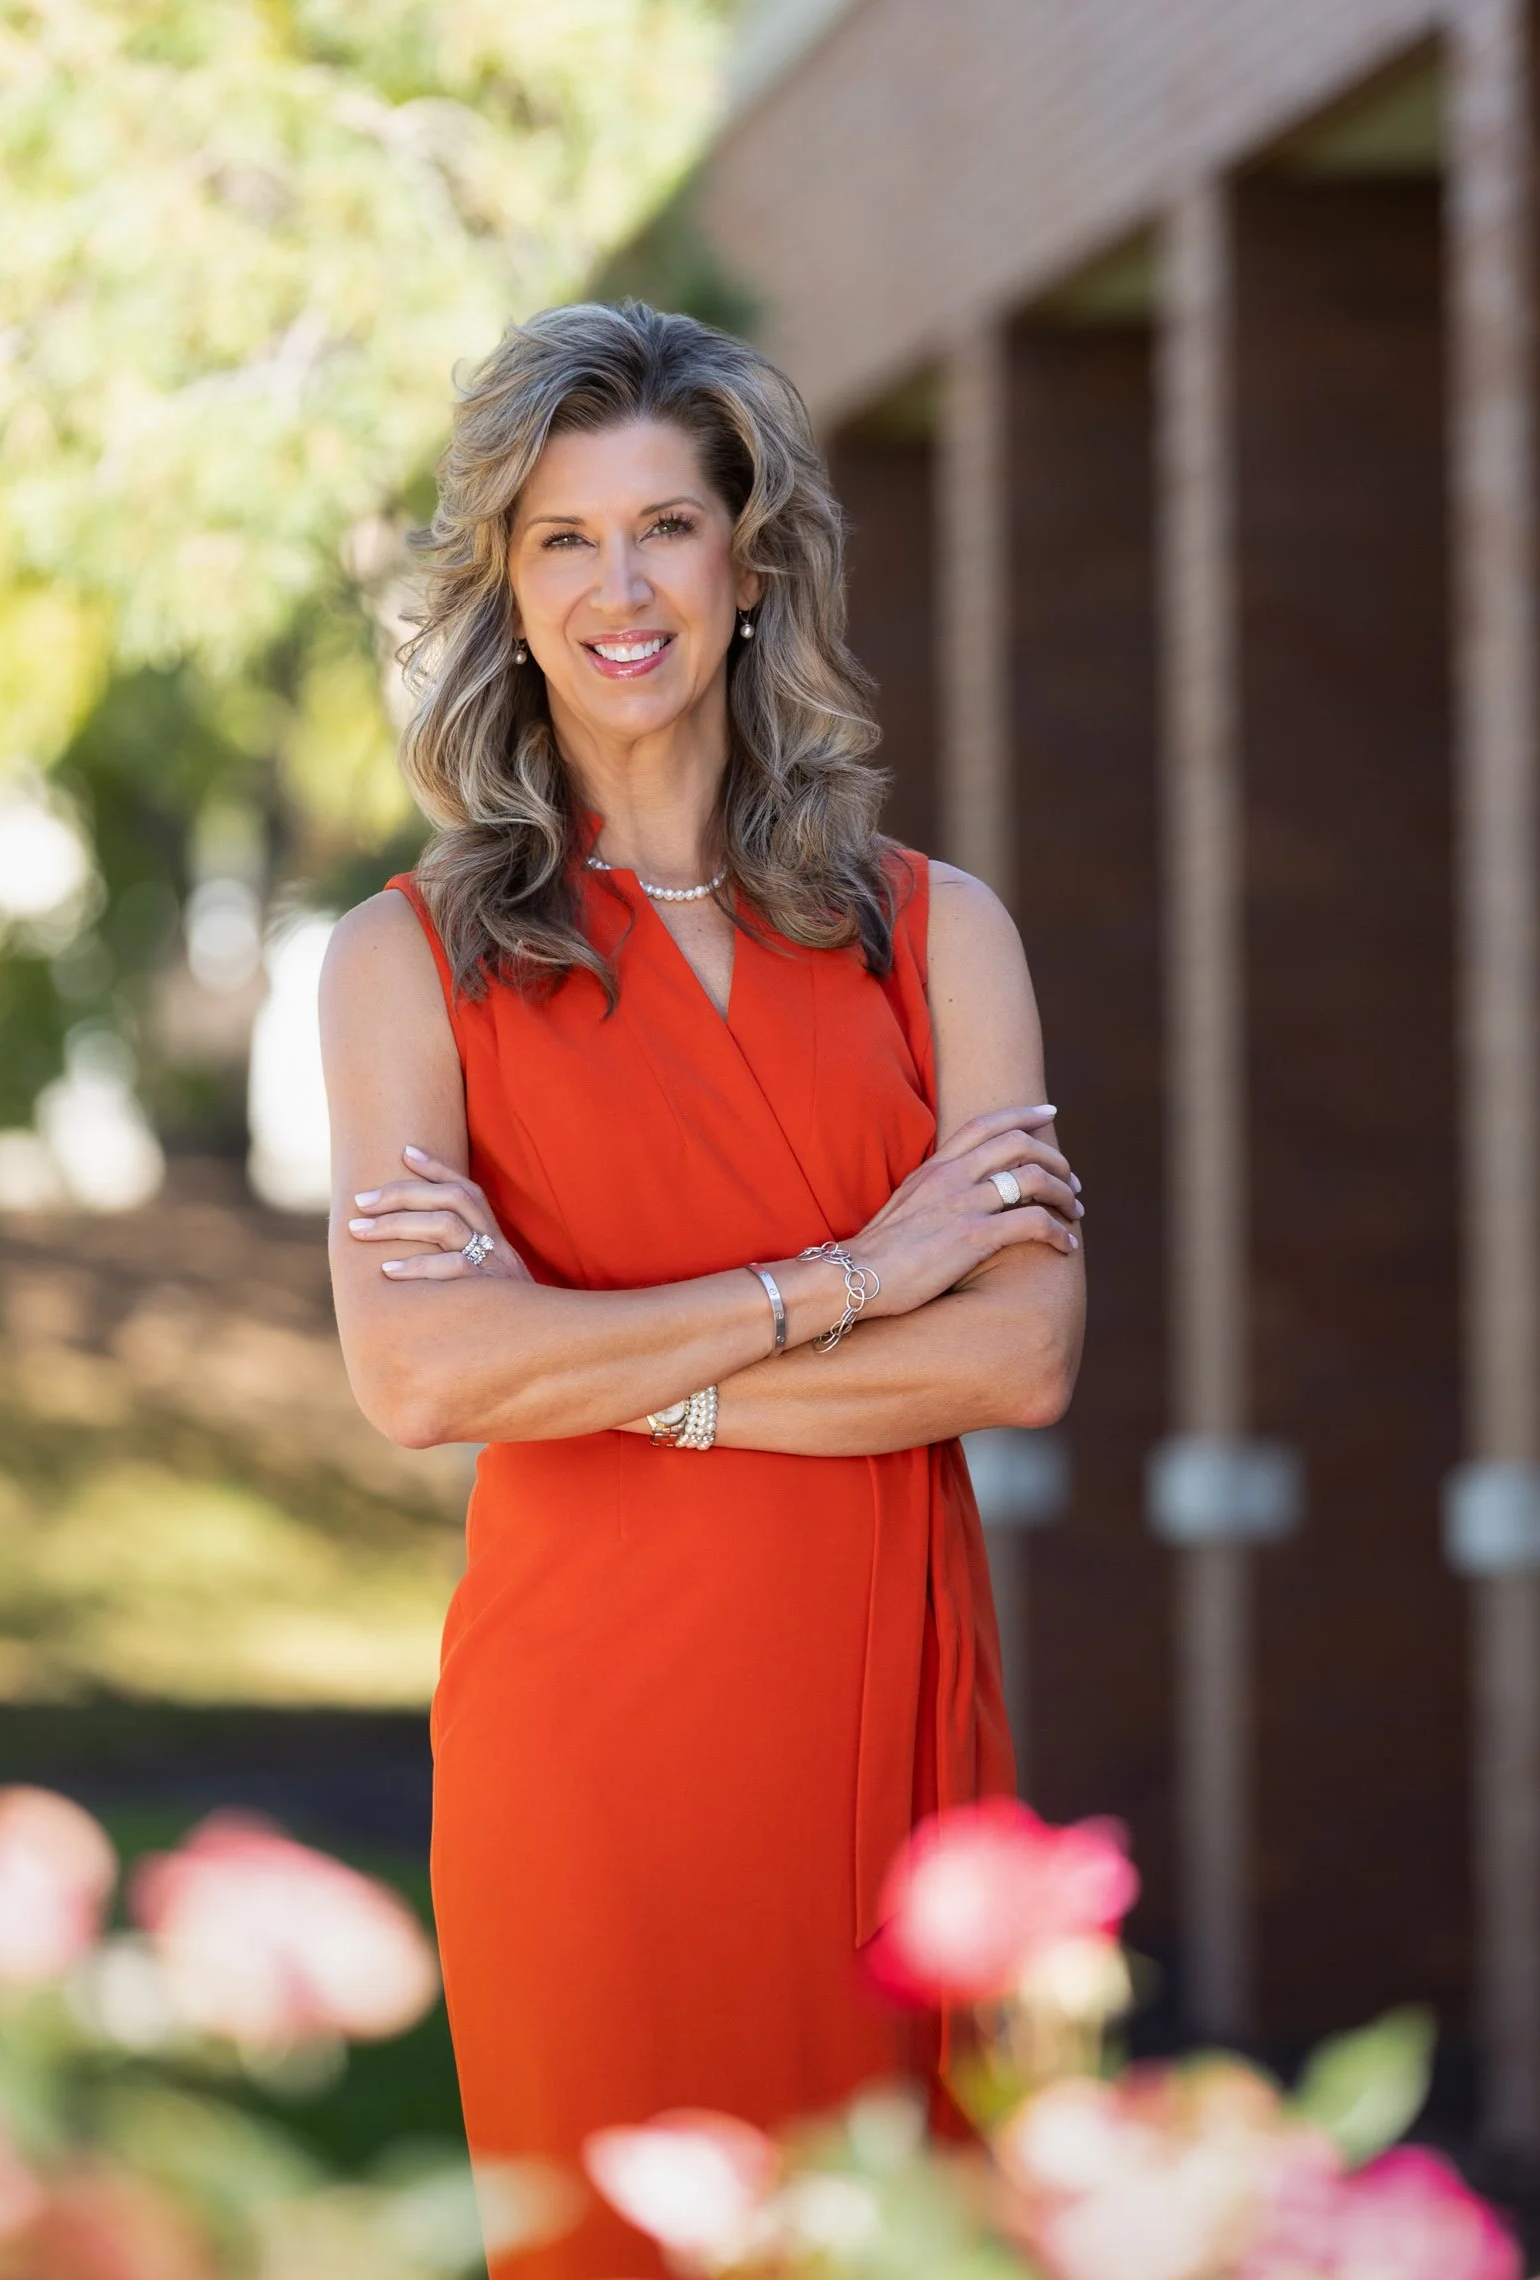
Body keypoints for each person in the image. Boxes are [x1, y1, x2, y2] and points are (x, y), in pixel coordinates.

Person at [319, 298, 1085, 2279]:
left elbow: (1012, 1353)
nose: (618, 586)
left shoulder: (939, 932)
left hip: (884, 1738)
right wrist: (856, 1276)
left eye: (664, 525)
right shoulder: (408, 966)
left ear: (752, 563)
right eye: (562, 539)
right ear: (504, 581)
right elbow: (419, 1375)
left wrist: (606, 1370)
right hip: (585, 1766)